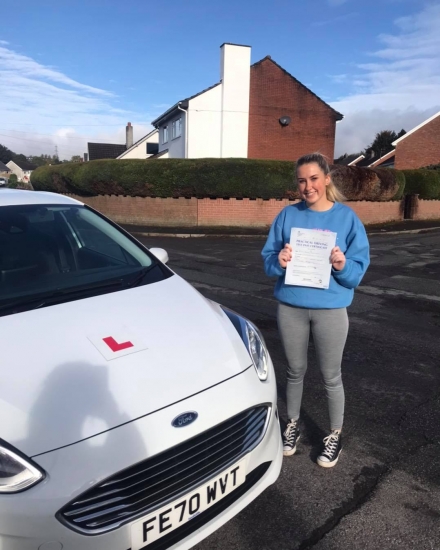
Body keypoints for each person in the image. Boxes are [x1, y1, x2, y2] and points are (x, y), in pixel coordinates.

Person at [261, 152, 370, 468]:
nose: (307, 186)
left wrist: (342, 265)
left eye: (313, 179)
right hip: (291, 307)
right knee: (294, 371)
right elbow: (269, 259)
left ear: (326, 179)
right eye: (301, 180)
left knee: (331, 376)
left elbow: (357, 270)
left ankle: (334, 434)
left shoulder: (346, 218)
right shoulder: (287, 216)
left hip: (330, 310)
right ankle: (292, 425)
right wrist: (278, 262)